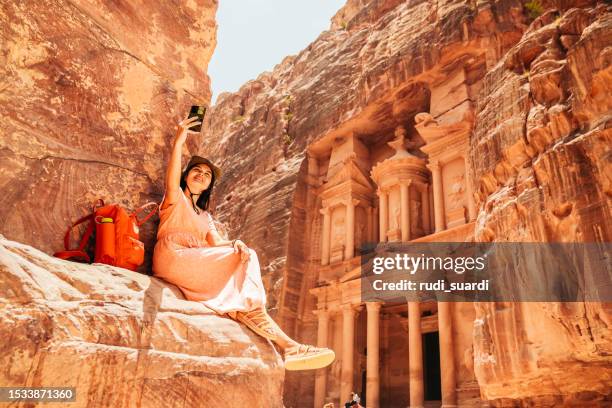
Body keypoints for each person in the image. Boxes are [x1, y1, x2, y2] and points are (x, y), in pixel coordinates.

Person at [152, 114, 335, 371]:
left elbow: (217, 243)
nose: (202, 176)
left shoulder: (205, 217)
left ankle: (290, 347)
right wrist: (179, 141)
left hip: (194, 262)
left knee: (242, 266)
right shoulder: (176, 198)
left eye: (207, 175)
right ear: (186, 176)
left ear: (208, 186)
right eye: (197, 171)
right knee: (242, 263)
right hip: (172, 256)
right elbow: (172, 178)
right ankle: (289, 344)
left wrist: (235, 244)